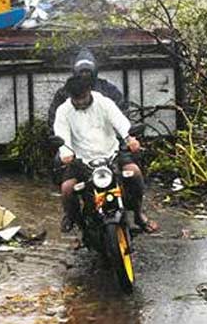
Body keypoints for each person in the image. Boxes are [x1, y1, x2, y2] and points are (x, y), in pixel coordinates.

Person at [54, 72, 157, 236]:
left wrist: (129, 138)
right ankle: (74, 220)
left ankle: (138, 214)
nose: (80, 102)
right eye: (76, 99)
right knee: (67, 189)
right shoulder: (63, 111)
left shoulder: (104, 103)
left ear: (89, 91)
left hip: (112, 154)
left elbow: (120, 122)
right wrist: (65, 153)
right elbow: (62, 135)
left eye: (83, 97)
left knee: (135, 174)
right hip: (81, 160)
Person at [46, 48, 127, 127]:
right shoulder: (65, 92)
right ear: (76, 72)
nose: (84, 75)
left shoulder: (108, 89)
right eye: (82, 71)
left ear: (94, 72)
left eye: (87, 71)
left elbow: (121, 112)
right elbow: (54, 118)